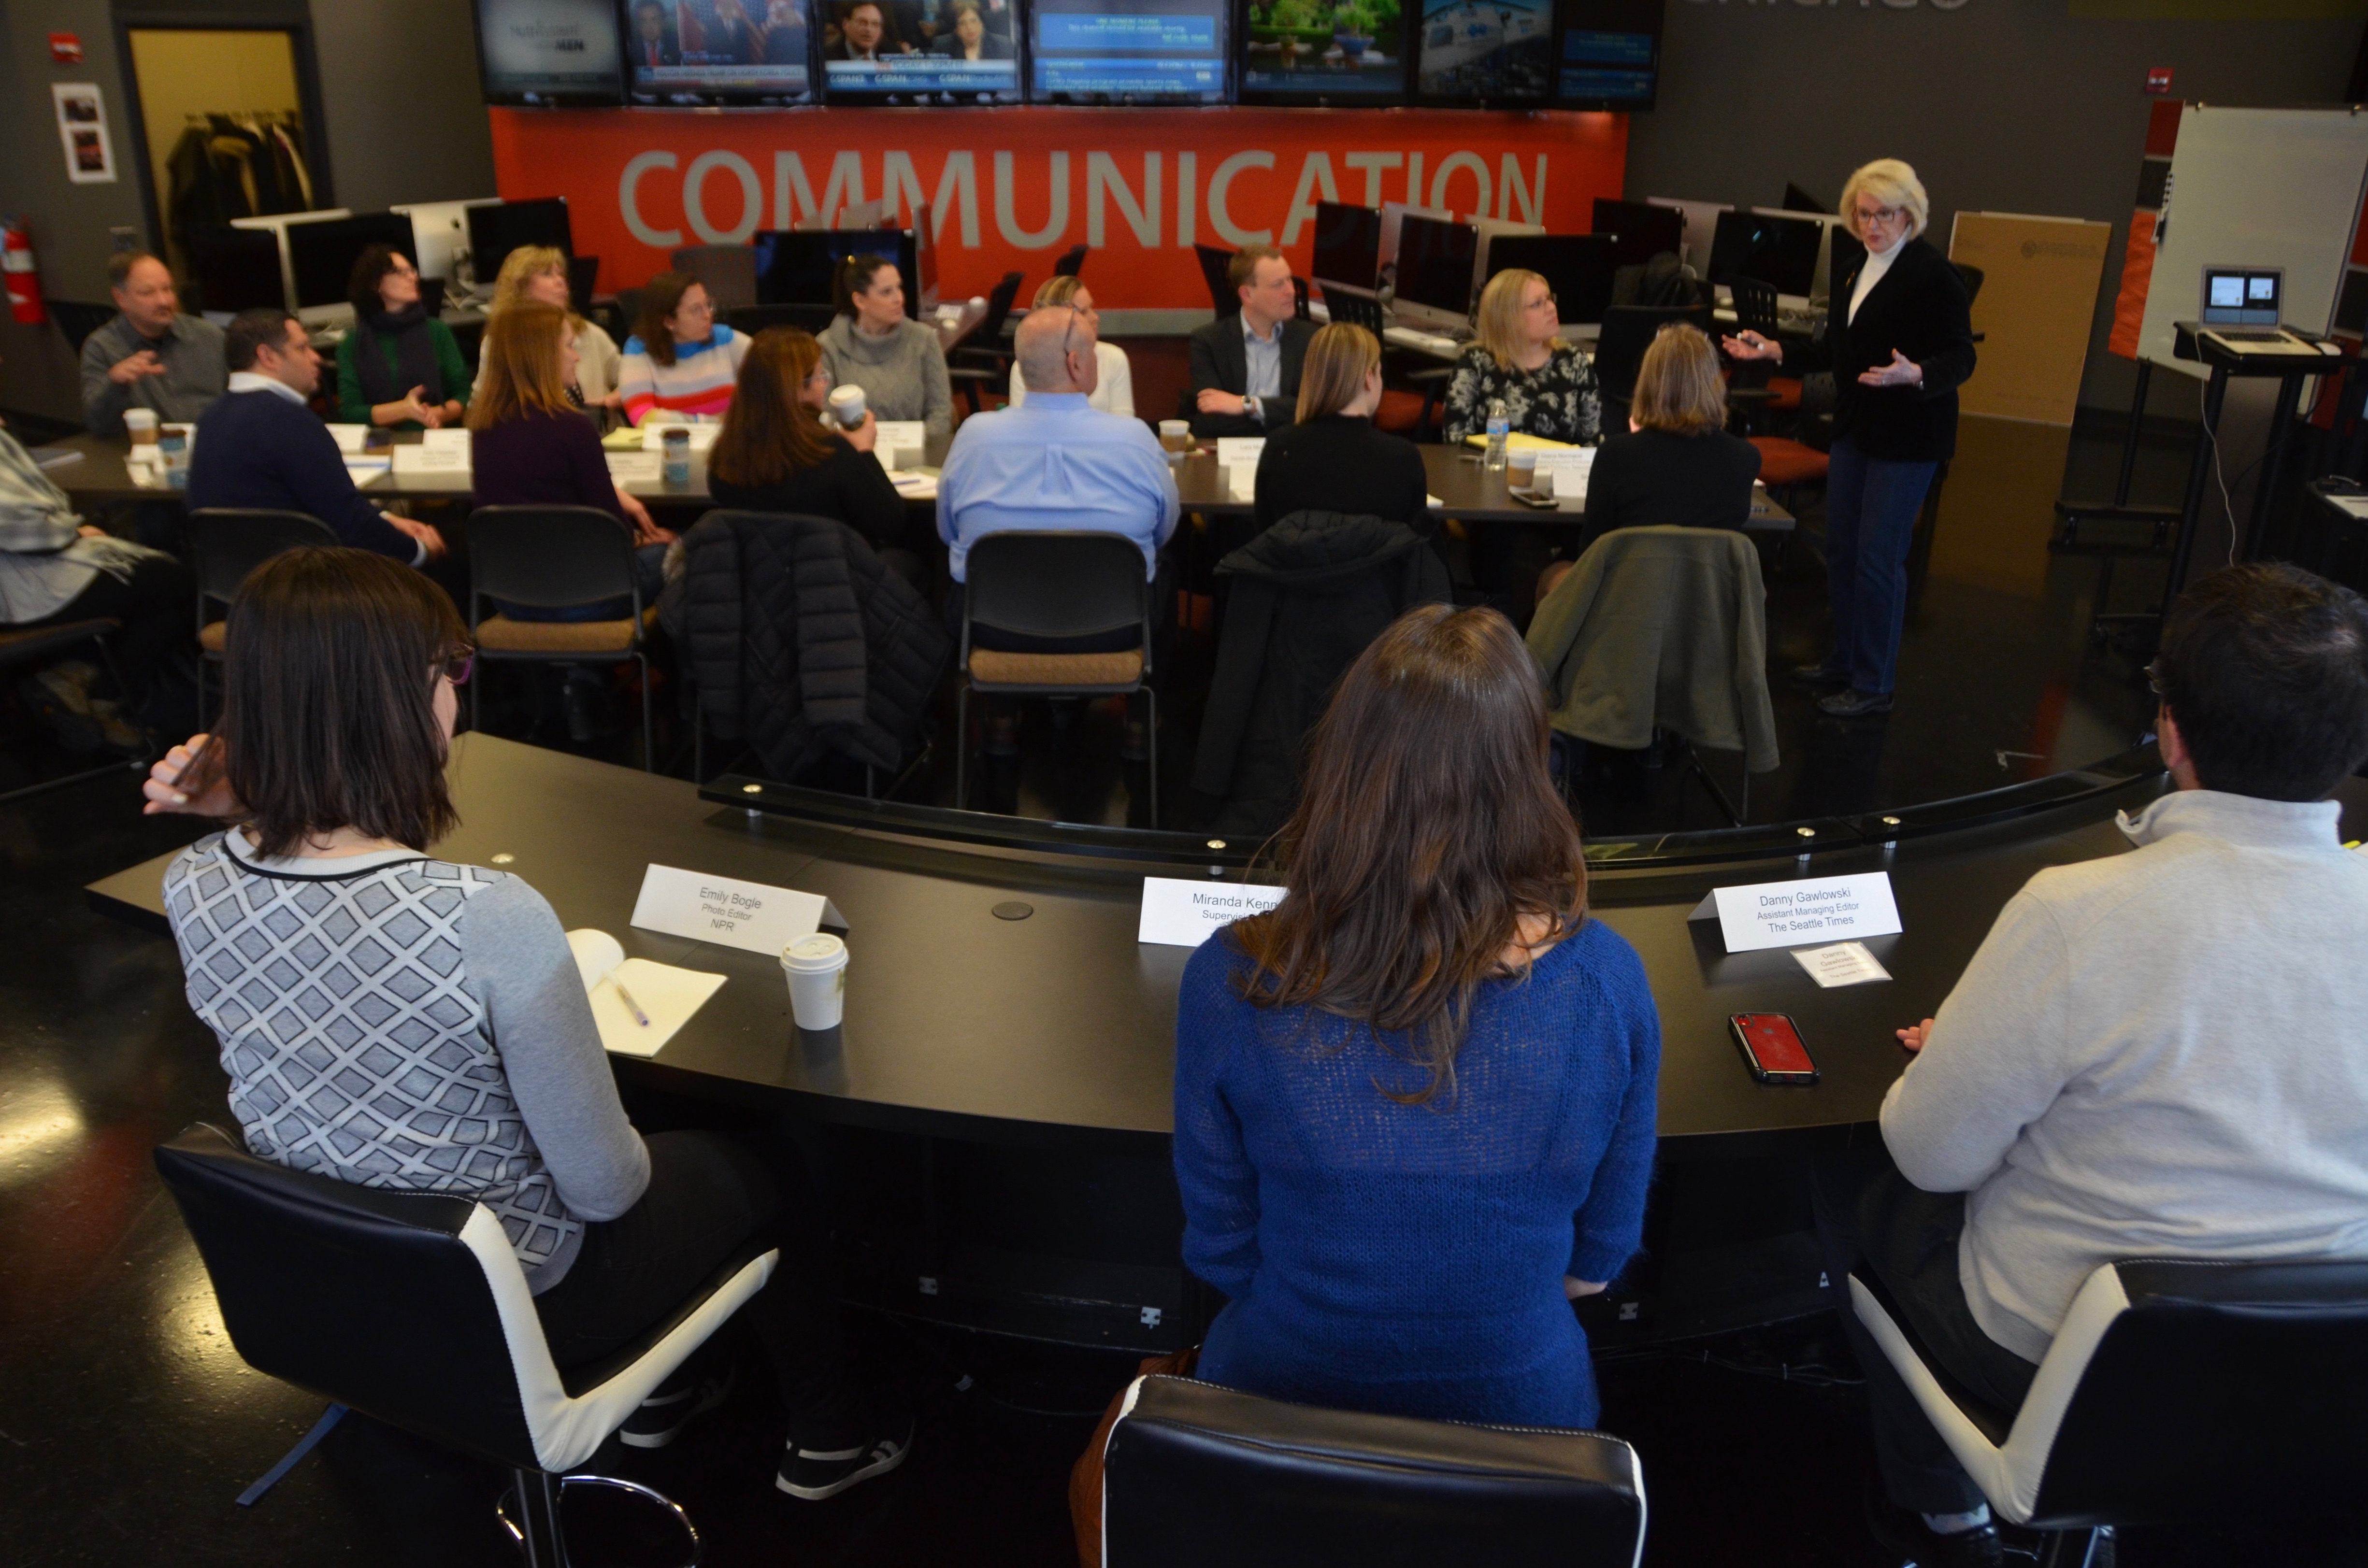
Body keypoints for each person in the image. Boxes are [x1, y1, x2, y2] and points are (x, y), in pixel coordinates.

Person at [143, 547, 912, 1501]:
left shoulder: (192, 884)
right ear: (400, 698)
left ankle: (666, 1393)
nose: (455, 699)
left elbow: (306, 911)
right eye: (447, 672)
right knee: (774, 1163)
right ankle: (828, 1438)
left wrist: (238, 795)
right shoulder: (484, 914)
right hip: (527, 1295)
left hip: (341, 1280)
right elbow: (603, 1192)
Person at [1814, 562, 2368, 1568]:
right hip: (2325, 1379)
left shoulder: (2076, 913)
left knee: (1857, 1199)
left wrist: (1978, 1053)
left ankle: (1938, 1513)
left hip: (2061, 1365)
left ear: (2167, 730)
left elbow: (1930, 1157)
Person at [1174, 603, 1660, 1425]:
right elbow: (1595, 1267)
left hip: (1280, 1405)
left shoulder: (1233, 980)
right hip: (1527, 1420)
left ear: (1343, 765)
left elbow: (1222, 1250)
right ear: (1530, 766)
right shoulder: (1609, 980)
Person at [1724, 158, 1974, 721]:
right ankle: (1842, 660)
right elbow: (1836, 353)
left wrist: (1916, 374)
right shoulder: (1852, 268)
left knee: (1877, 559)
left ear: (1908, 214)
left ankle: (1872, 682)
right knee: (1840, 550)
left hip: (1909, 436)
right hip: (1856, 429)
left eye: (1883, 215)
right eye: (1862, 215)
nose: (1871, 226)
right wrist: (1772, 350)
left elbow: (1962, 355)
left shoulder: (1933, 274)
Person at [936, 305, 1177, 639]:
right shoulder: (1136, 439)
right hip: (1115, 627)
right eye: (1092, 350)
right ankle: (1150, 686)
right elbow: (1163, 531)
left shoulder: (973, 437)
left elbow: (949, 531)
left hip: (991, 627)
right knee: (1167, 563)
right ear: (1075, 363)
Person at [1, 370, 191, 746]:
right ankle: (106, 694)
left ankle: (75, 673)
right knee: (178, 584)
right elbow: (16, 521)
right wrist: (70, 532)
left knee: (153, 576)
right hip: (19, 585)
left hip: (19, 569)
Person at [186, 310, 447, 569]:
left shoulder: (209, 419)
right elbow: (351, 524)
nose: (316, 358)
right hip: (305, 589)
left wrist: (386, 518)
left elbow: (320, 502)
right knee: (451, 573)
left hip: (233, 587)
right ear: (267, 357)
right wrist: (419, 552)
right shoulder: (290, 420)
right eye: (302, 348)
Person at [467, 300, 673, 614]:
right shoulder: (572, 427)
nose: (576, 356)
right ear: (543, 356)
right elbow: (614, 534)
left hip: (511, 597)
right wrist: (641, 539)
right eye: (568, 346)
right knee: (689, 549)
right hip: (591, 594)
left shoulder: (482, 428)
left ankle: (581, 664)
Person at [708, 327, 907, 556]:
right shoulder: (830, 453)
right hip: (836, 578)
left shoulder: (725, 456)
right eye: (820, 377)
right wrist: (864, 451)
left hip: (755, 582)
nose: (824, 384)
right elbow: (891, 523)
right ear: (797, 389)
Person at [1578, 322, 1761, 553]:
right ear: (1714, 384)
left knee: (1552, 576)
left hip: (1632, 586)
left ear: (1647, 383)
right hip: (1709, 589)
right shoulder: (1745, 459)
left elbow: (1590, 550)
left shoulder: (1615, 456)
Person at [1249, 322, 1426, 536]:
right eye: (1380, 373)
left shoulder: (1280, 447)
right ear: (1369, 379)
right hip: (1374, 570)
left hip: (1301, 569)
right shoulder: (1402, 458)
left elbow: (1266, 537)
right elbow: (1414, 543)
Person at [1443, 268, 1601, 447]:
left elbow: (1590, 443)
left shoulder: (1575, 362)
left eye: (1549, 299)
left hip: (1558, 473)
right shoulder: (1475, 363)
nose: (1551, 308)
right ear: (1508, 317)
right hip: (1490, 471)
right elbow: (1455, 441)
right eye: (1537, 304)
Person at [79, 252, 227, 438]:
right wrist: (115, 384)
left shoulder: (209, 336)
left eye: (167, 289)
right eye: (148, 293)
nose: (164, 301)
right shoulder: (103, 348)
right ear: (121, 298)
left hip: (215, 442)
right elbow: (98, 426)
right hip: (151, 452)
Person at [1184, 245, 1316, 441]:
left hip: (1291, 453)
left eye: (1290, 279)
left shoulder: (1312, 339)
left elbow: (1312, 410)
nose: (1291, 291)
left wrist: (1247, 405)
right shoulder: (1209, 342)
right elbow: (1211, 420)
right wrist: (1279, 416)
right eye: (1279, 284)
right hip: (1230, 454)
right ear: (1247, 294)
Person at [336, 244, 469, 431]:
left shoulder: (436, 331)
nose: (413, 277)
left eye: (412, 271)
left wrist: (434, 414)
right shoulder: (353, 342)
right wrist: (405, 410)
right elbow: (351, 413)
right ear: (376, 285)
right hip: (382, 444)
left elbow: (463, 395)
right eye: (401, 272)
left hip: (436, 439)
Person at [818, 255, 953, 437]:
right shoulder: (828, 346)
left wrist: (912, 449)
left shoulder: (923, 339)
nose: (899, 299)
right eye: (887, 292)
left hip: (917, 455)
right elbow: (825, 419)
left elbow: (941, 413)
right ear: (860, 301)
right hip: (856, 455)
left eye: (899, 288)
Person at [477, 245, 623, 411]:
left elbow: (633, 380)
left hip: (599, 433)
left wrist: (614, 399)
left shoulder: (588, 332)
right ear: (520, 287)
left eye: (561, 274)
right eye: (547, 274)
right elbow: (481, 404)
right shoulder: (500, 342)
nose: (561, 281)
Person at [618, 272, 750, 426]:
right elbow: (644, 418)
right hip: (673, 447)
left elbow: (774, 376)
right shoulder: (640, 349)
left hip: (732, 445)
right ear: (669, 321)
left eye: (708, 305)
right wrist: (712, 423)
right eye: (696, 310)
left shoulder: (726, 339)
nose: (708, 315)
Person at [1005, 275, 1132, 418]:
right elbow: (1022, 423)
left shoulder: (1114, 357)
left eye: (1092, 307)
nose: (1095, 317)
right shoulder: (1025, 367)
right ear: (1055, 319)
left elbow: (1124, 423)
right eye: (1083, 312)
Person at [928, 0, 1010, 57]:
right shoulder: (942, 47)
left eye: (973, 21)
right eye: (962, 23)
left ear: (982, 24)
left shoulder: (1002, 46)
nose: (969, 28)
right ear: (956, 29)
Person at [830, 0, 910, 57]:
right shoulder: (829, 58)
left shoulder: (894, 54)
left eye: (875, 24)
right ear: (845, 24)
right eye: (862, 23)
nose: (869, 30)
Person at [630, 0, 680, 67]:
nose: (649, 27)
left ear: (663, 22)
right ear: (638, 25)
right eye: (644, 21)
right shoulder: (631, 46)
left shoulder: (677, 44)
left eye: (654, 20)